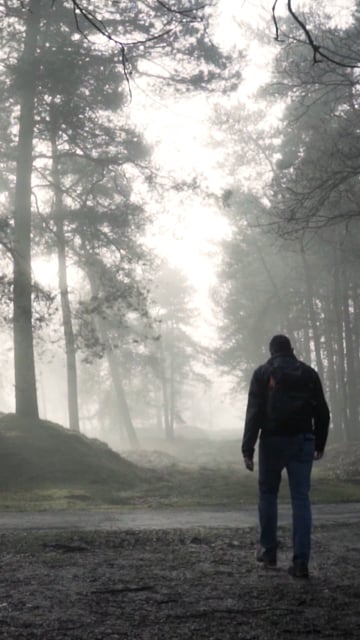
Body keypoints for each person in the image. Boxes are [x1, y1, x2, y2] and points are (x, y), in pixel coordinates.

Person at [241, 334, 330, 578]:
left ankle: (269, 553)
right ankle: (301, 562)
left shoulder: (263, 373)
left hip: (272, 441)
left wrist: (248, 449)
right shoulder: (309, 373)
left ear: (271, 351)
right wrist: (319, 442)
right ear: (291, 350)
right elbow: (322, 410)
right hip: (303, 440)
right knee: (301, 498)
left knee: (268, 494)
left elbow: (254, 412)